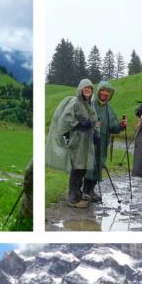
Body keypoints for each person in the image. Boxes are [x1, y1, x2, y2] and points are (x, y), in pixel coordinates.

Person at [45, 78, 98, 208]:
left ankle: (77, 194)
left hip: (86, 140)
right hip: (77, 140)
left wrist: (95, 130)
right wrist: (79, 124)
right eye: (85, 88)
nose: (88, 90)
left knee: (82, 167)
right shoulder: (75, 102)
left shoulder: (89, 104)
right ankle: (73, 198)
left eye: (90, 88)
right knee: (78, 168)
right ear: (80, 89)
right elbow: (65, 120)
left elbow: (94, 119)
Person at [83, 81, 126, 202]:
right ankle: (85, 190)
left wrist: (121, 125)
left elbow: (114, 127)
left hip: (103, 143)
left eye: (107, 91)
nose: (104, 93)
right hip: (89, 142)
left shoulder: (109, 109)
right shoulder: (91, 105)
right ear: (98, 91)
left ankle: (91, 190)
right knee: (89, 165)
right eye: (102, 90)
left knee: (99, 164)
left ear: (110, 94)